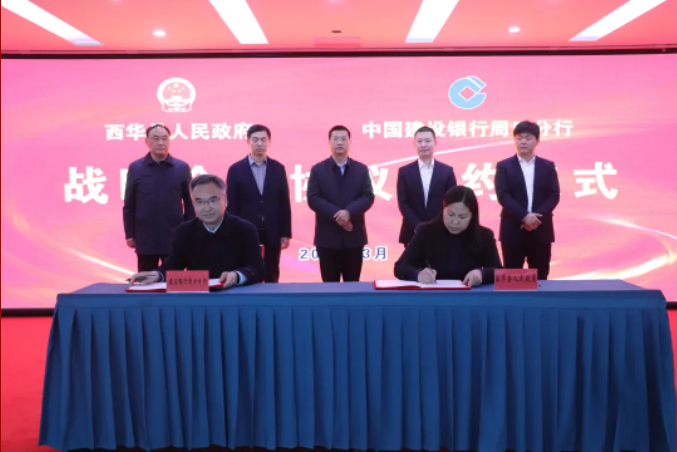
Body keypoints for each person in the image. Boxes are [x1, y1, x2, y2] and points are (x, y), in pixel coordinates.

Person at [128, 174, 265, 288]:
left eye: (212, 200)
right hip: (198, 298)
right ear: (193, 204)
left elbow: (257, 269)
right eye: (199, 202)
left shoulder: (245, 229)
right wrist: (157, 275)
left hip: (235, 297)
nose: (206, 208)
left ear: (225, 200)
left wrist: (236, 276)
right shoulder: (185, 231)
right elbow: (173, 265)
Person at [394, 186, 502, 287]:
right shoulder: (425, 232)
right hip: (432, 294)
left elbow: (499, 271)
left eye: (462, 217)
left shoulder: (484, 236)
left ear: (472, 216)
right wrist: (417, 274)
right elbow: (400, 266)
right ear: (443, 209)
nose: (455, 222)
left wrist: (482, 273)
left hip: (470, 295)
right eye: (450, 214)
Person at [307, 125, 375, 282]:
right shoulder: (318, 170)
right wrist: (338, 216)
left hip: (354, 238)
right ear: (329, 142)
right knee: (329, 287)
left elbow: (368, 196)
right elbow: (313, 198)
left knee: (352, 285)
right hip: (327, 238)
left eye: (343, 139)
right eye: (335, 139)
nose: (339, 142)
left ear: (350, 142)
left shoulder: (361, 169)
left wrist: (349, 212)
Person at [123, 124, 195, 272]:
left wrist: (190, 232)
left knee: (174, 281)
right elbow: (129, 204)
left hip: (174, 236)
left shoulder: (182, 168)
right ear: (147, 142)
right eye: (155, 138)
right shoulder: (136, 168)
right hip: (145, 237)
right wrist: (129, 233)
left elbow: (189, 204)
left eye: (165, 138)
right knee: (147, 281)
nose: (161, 143)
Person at [226, 124, 292, 283]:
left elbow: (284, 202)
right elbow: (232, 204)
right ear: (248, 142)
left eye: (263, 140)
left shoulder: (278, 168)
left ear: (269, 142)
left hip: (272, 229)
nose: (259, 143)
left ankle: (272, 297)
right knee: (247, 270)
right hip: (245, 229)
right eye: (255, 140)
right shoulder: (236, 169)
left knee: (272, 272)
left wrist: (285, 232)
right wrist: (233, 231)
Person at [495, 120, 560, 280]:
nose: (523, 141)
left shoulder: (547, 166)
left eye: (528, 138)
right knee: (511, 278)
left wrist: (535, 218)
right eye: (519, 137)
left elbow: (554, 195)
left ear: (537, 141)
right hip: (513, 228)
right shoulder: (504, 166)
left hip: (540, 229)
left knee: (541, 278)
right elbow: (503, 195)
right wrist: (524, 216)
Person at [397, 126, 457, 247]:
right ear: (414, 144)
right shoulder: (404, 172)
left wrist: (436, 225)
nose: (423, 145)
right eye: (419, 141)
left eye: (428, 141)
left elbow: (452, 202)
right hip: (412, 232)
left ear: (435, 142)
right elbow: (403, 203)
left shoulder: (447, 171)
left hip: (441, 231)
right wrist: (417, 226)